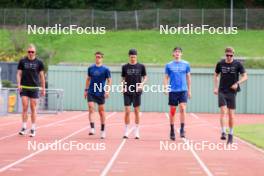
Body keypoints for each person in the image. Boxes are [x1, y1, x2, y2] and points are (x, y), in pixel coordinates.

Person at [214, 47, 248, 144]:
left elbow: (245, 76)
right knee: (223, 110)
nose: (229, 57)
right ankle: (223, 131)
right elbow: (215, 75)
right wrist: (216, 87)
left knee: (231, 115)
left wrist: (237, 83)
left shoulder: (238, 64)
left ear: (233, 54)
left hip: (232, 92)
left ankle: (231, 134)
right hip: (222, 90)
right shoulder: (220, 63)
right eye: (227, 55)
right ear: (225, 54)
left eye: (231, 55)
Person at [17, 44, 45, 137]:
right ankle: (24, 127)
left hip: (34, 88)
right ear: (27, 52)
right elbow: (19, 74)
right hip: (24, 87)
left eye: (32, 52)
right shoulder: (22, 61)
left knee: (33, 108)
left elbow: (42, 76)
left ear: (35, 52)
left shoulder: (39, 62)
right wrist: (18, 84)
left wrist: (43, 88)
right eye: (29, 51)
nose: (30, 53)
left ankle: (33, 128)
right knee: (24, 107)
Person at [163, 47, 191, 141]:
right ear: (173, 54)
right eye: (176, 52)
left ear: (181, 54)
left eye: (179, 52)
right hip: (173, 91)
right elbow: (166, 78)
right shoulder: (169, 65)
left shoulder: (186, 64)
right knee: (173, 111)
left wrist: (189, 90)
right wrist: (166, 88)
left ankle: (182, 129)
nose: (177, 53)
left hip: (183, 90)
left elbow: (188, 78)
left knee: (183, 108)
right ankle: (172, 130)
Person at [84, 51, 112, 139]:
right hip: (91, 91)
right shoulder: (91, 68)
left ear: (102, 58)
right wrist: (86, 90)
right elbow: (88, 79)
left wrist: (107, 91)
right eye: (96, 57)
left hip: (100, 92)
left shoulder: (106, 69)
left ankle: (103, 130)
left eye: (99, 57)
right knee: (91, 108)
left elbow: (109, 81)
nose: (97, 58)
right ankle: (92, 128)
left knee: (101, 111)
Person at [121, 49, 147, 139]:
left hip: (137, 91)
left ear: (137, 56)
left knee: (136, 111)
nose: (133, 58)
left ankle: (136, 131)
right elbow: (123, 78)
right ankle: (126, 130)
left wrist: (142, 84)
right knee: (127, 111)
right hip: (127, 91)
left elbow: (145, 77)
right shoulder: (125, 67)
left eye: (134, 57)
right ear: (129, 56)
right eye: (131, 57)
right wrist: (122, 87)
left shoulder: (141, 66)